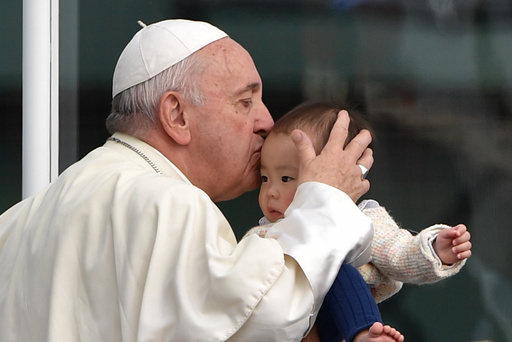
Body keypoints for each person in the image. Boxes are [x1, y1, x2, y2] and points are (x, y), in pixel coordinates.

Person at [0, 19, 380, 341]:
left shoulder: (17, 222)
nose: (266, 121)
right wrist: (325, 198)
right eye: (245, 102)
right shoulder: (168, 202)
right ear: (176, 115)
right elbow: (260, 319)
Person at [247, 101, 472, 341]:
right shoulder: (261, 236)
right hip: (285, 327)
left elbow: (399, 254)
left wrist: (435, 249)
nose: (271, 191)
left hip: (339, 324)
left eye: (286, 177)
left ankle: (365, 334)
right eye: (264, 178)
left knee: (336, 269)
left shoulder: (360, 220)